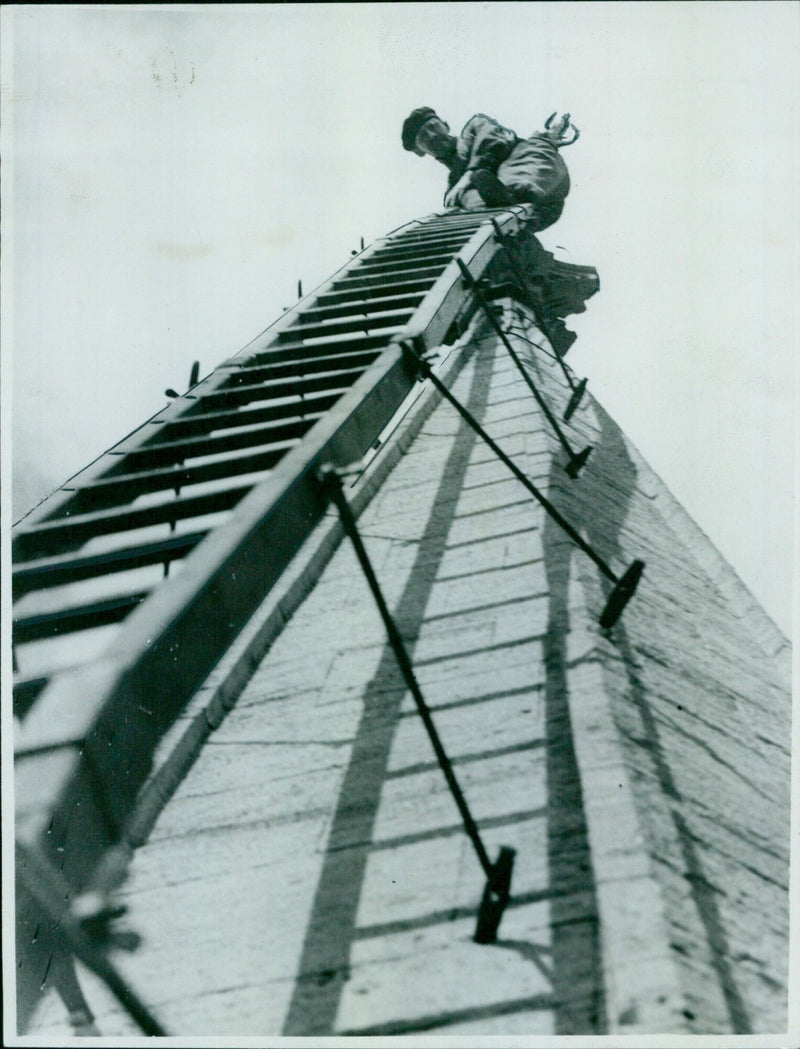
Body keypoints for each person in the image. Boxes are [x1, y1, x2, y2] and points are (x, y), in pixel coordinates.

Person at [402, 108, 577, 229]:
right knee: (463, 200)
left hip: (538, 181)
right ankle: (501, 205)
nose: (432, 136)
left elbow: (494, 139)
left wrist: (470, 174)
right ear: (419, 152)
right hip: (532, 216)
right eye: (423, 137)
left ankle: (508, 197)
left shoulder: (473, 127)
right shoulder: (453, 187)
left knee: (532, 150)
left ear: (445, 125)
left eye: (433, 127)